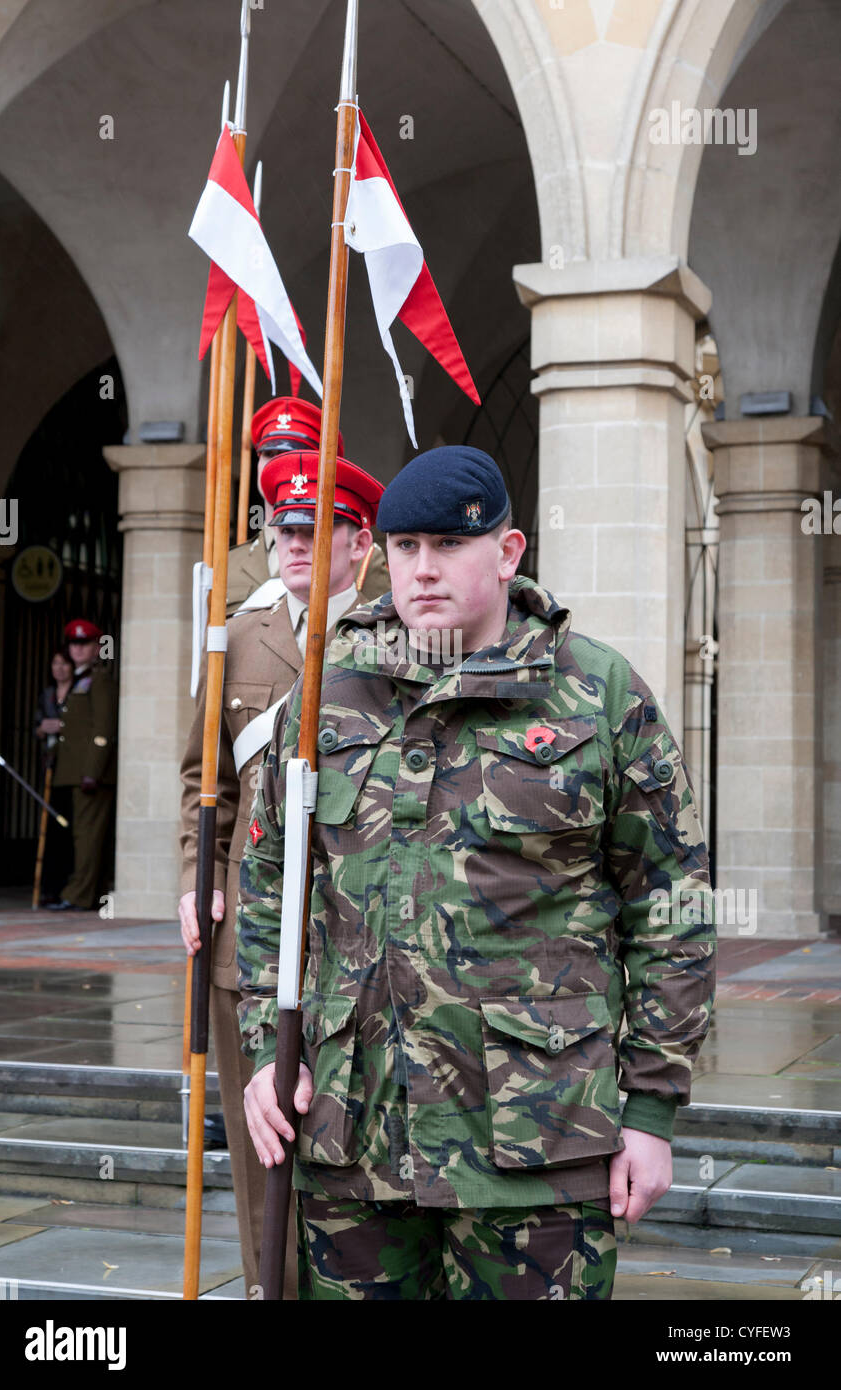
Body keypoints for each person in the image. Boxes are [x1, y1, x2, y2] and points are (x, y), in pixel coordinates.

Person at [236, 445, 716, 1301]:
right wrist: (265, 1054)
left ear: (507, 551)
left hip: (538, 1140)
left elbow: (670, 908)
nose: (422, 570)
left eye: (448, 547)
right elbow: (271, 878)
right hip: (355, 1132)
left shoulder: (597, 696)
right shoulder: (328, 696)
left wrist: (649, 1113)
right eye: (405, 547)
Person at [178, 448, 386, 1299]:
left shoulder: (393, 632)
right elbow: (206, 779)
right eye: (282, 527)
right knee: (257, 1134)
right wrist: (199, 874)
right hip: (250, 937)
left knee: (352, 1139)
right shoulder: (240, 634)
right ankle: (274, 1288)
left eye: (316, 528)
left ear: (359, 541)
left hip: (355, 933)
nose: (293, 543)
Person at [227, 397, 389, 615]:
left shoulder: (359, 556)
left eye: (293, 453)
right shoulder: (230, 563)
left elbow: (380, 634)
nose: (277, 462)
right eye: (269, 453)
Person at [48, 620, 118, 912]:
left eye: (85, 643)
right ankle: (89, 893)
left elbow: (103, 729)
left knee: (87, 836)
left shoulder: (98, 679)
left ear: (96, 647)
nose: (77, 649)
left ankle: (78, 894)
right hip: (74, 772)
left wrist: (93, 770)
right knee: (83, 834)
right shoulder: (78, 680)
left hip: (90, 774)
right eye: (73, 644)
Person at [34, 649, 76, 903]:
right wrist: (43, 728)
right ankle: (48, 889)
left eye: (64, 663)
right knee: (49, 828)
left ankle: (68, 888)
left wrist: (63, 726)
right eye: (55, 663)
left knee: (69, 826)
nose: (59, 668)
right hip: (50, 765)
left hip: (72, 767)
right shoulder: (47, 695)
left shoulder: (79, 690)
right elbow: (36, 726)